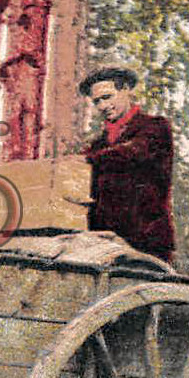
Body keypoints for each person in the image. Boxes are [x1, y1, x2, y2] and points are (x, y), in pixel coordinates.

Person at [78, 66, 175, 262]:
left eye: (107, 97)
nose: (103, 106)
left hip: (146, 241)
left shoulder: (155, 127)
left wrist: (86, 160)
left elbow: (132, 153)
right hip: (105, 244)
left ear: (126, 91)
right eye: (97, 101)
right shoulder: (98, 145)